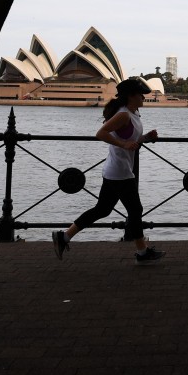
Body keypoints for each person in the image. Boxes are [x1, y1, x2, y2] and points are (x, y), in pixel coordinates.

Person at [52, 76, 166, 265]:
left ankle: (63, 237)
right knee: (135, 210)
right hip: (120, 172)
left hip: (117, 170)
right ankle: (142, 252)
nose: (144, 98)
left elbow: (132, 141)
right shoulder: (123, 114)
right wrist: (123, 144)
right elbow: (101, 133)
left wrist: (146, 137)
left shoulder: (133, 114)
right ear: (131, 96)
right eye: (141, 95)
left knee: (103, 209)